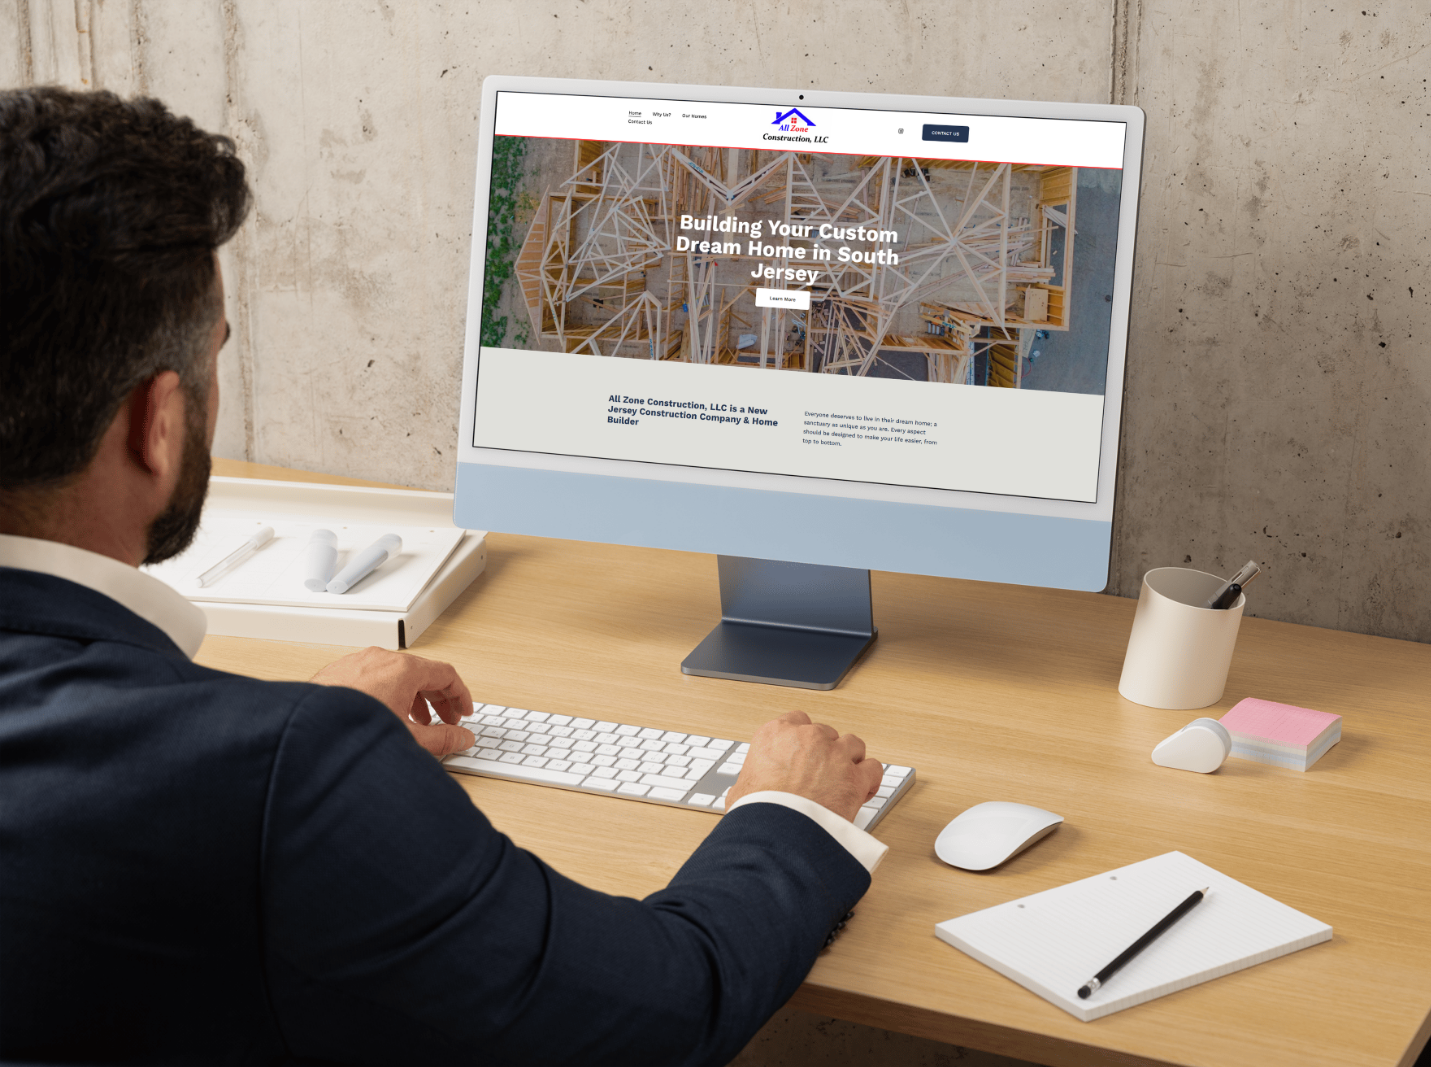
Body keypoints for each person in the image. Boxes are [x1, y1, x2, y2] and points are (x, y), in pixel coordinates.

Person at [0, 88, 886, 1066]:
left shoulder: (254, 766)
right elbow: (658, 1011)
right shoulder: (287, 778)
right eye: (216, 359)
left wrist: (269, 737)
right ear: (156, 425)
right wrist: (788, 812)